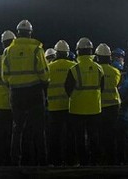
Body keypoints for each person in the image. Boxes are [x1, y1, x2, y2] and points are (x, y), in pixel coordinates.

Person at [3, 19, 49, 165]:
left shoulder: (8, 50)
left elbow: (4, 76)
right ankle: (41, 162)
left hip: (16, 94)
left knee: (17, 130)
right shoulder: (36, 48)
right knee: (38, 130)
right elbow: (44, 74)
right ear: (30, 33)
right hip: (34, 92)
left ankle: (15, 161)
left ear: (18, 33)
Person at [64, 37, 103, 165]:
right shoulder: (99, 68)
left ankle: (82, 162)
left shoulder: (74, 69)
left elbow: (67, 88)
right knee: (94, 137)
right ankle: (95, 162)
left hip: (77, 108)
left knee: (79, 138)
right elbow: (101, 87)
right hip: (94, 108)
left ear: (78, 51)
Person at [46, 40, 75, 166]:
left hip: (53, 107)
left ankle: (55, 161)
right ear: (67, 53)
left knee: (54, 136)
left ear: (56, 53)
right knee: (70, 135)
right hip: (71, 106)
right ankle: (70, 161)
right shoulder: (74, 66)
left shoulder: (49, 67)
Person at [95, 43, 122, 165]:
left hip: (99, 107)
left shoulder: (95, 70)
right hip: (113, 106)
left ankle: (101, 160)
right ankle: (113, 161)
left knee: (100, 136)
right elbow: (117, 84)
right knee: (112, 135)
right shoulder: (115, 71)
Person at [0, 30, 15, 165]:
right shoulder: (19, 57)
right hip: (17, 101)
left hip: (1, 102)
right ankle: (16, 160)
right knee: (16, 133)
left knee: (2, 133)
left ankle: (2, 160)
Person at [112, 47, 128, 164]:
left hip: (112, 116)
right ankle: (127, 161)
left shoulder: (108, 79)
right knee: (125, 139)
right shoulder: (127, 82)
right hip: (123, 116)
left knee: (115, 141)